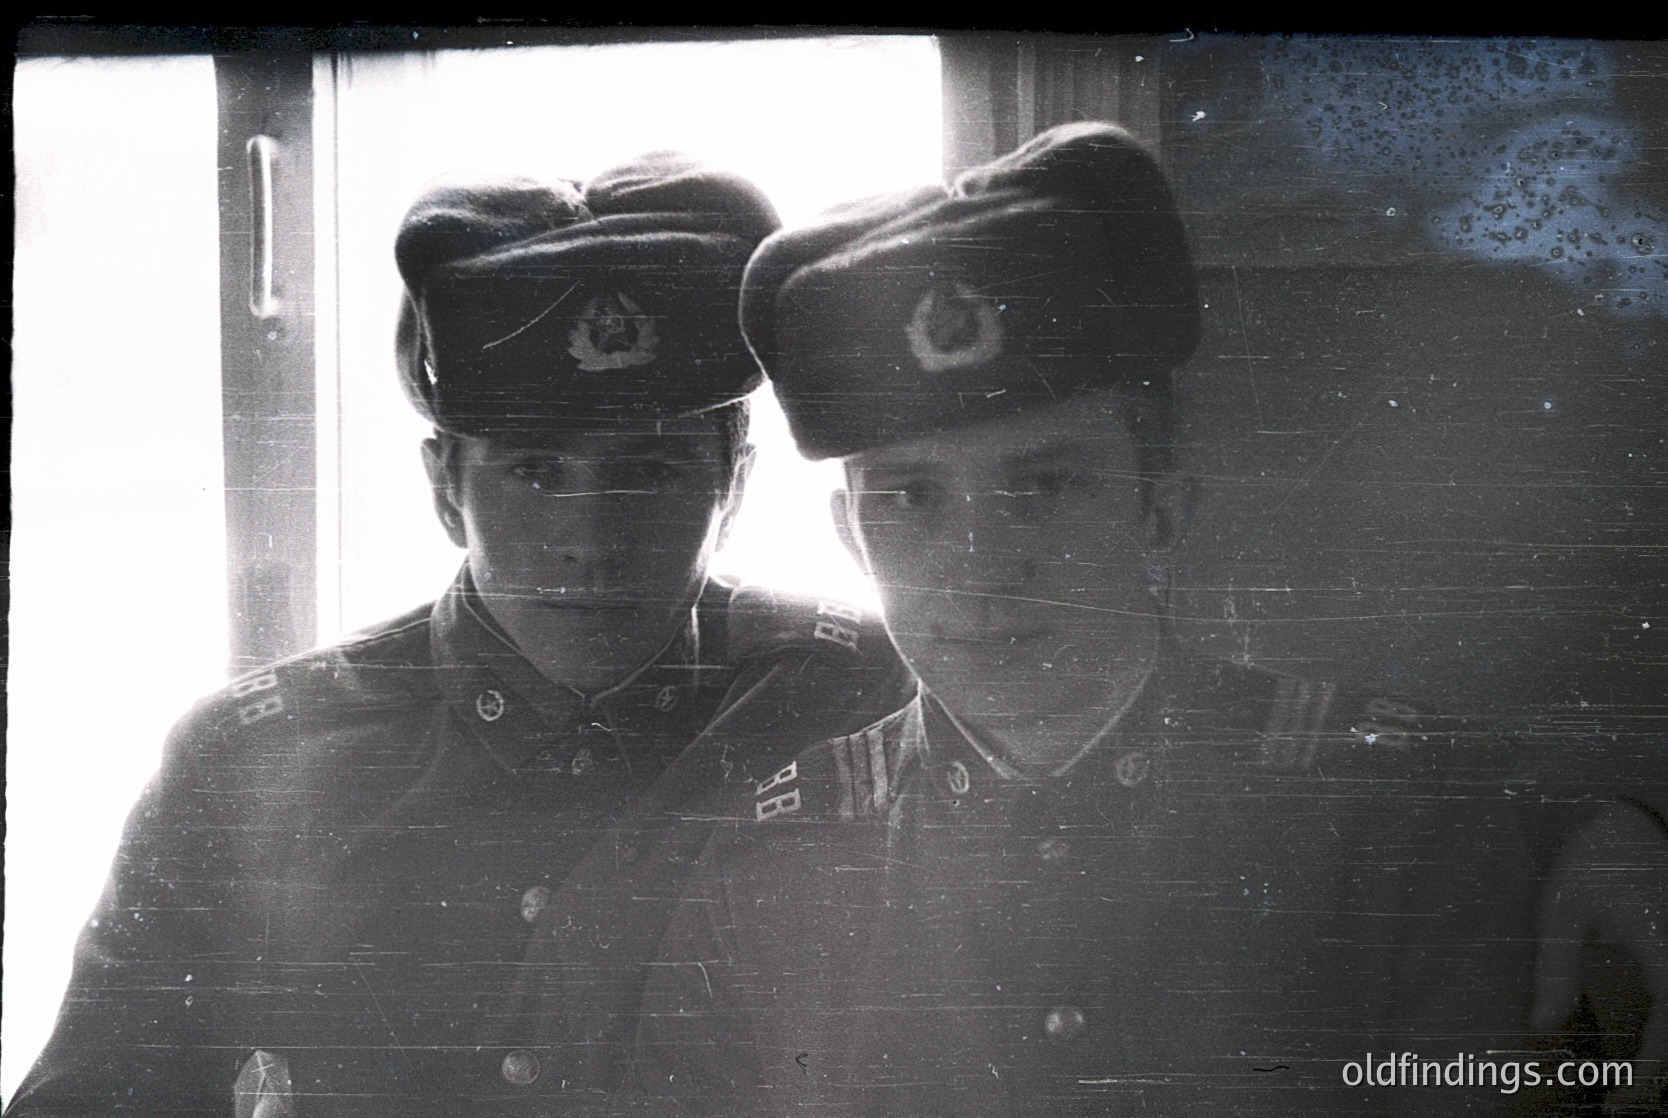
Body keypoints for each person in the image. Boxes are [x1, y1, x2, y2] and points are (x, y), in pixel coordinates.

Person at [635, 124, 1661, 1115]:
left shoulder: (1396, 832)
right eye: (909, 497)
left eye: (1043, 483)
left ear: (1160, 503)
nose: (981, 563)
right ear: (851, 538)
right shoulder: (768, 871)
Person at [5, 153, 910, 1117]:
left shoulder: (857, 698)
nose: (592, 540)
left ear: (733, 483)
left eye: (649, 471)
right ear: (446, 487)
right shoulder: (252, 761)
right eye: (532, 471)